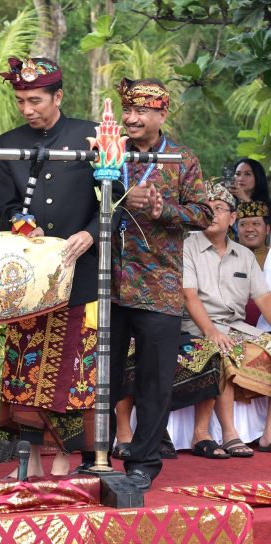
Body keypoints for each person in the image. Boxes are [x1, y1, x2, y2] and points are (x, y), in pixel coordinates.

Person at [0, 57, 116, 476]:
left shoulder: (91, 136)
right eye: (20, 100)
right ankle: (27, 459)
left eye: (35, 100)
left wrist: (92, 233)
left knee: (75, 368)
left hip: (81, 273)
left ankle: (67, 457)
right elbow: (5, 208)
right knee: (25, 364)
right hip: (31, 277)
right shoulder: (8, 140)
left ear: (58, 96)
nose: (27, 109)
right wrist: (19, 227)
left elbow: (113, 201)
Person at [109, 78, 213, 490]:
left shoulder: (182, 159)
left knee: (154, 384)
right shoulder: (109, 150)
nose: (132, 118)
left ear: (161, 114)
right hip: (108, 287)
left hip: (159, 286)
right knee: (103, 378)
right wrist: (118, 198)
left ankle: (144, 464)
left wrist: (162, 208)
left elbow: (204, 214)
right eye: (128, 110)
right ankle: (95, 456)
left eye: (142, 112)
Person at [180, 184, 271, 458]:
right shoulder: (187, 245)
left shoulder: (243, 254)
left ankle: (268, 434)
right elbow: (188, 296)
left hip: (236, 326)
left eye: (218, 208)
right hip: (196, 324)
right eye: (205, 208)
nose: (211, 213)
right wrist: (210, 331)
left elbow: (264, 298)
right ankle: (230, 434)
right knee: (222, 350)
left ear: (232, 218)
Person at [235, 201, 270, 326]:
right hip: (231, 334)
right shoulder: (225, 259)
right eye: (243, 224)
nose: (249, 229)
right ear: (237, 230)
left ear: (267, 229)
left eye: (256, 223)